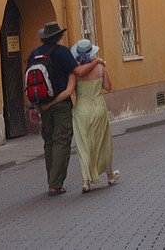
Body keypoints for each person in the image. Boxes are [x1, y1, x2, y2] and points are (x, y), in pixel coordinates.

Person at [27, 21, 103, 197]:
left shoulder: (34, 54)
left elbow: (30, 83)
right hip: (61, 104)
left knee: (49, 141)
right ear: (59, 37)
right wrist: (97, 61)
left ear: (43, 38)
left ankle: (52, 180)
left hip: (42, 104)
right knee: (61, 141)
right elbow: (79, 72)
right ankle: (55, 184)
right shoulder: (62, 52)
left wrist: (32, 106)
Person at [45, 38, 120, 193]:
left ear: (77, 54)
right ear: (91, 52)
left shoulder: (75, 73)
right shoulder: (100, 68)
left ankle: (86, 181)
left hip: (81, 111)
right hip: (99, 108)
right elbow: (108, 87)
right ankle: (110, 175)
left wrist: (49, 104)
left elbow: (68, 92)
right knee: (103, 142)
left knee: (83, 146)